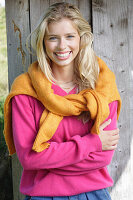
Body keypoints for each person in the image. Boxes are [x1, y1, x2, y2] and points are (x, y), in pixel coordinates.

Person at [4, 2, 121, 200]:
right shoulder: (25, 90)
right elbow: (30, 159)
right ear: (43, 42)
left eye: (69, 36)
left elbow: (103, 157)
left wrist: (49, 161)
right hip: (43, 196)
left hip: (93, 195)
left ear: (81, 39)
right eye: (53, 38)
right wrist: (93, 142)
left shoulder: (101, 85)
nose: (62, 46)